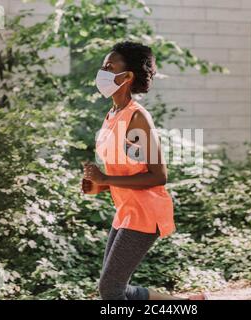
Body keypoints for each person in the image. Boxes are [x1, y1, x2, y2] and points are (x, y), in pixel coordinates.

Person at [82, 41, 208, 300]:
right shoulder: (112, 115)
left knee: (110, 289)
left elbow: (158, 175)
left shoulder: (137, 117)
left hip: (145, 212)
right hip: (126, 210)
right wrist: (100, 185)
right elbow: (131, 172)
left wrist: (106, 177)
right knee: (118, 287)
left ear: (127, 76)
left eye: (109, 66)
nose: (102, 72)